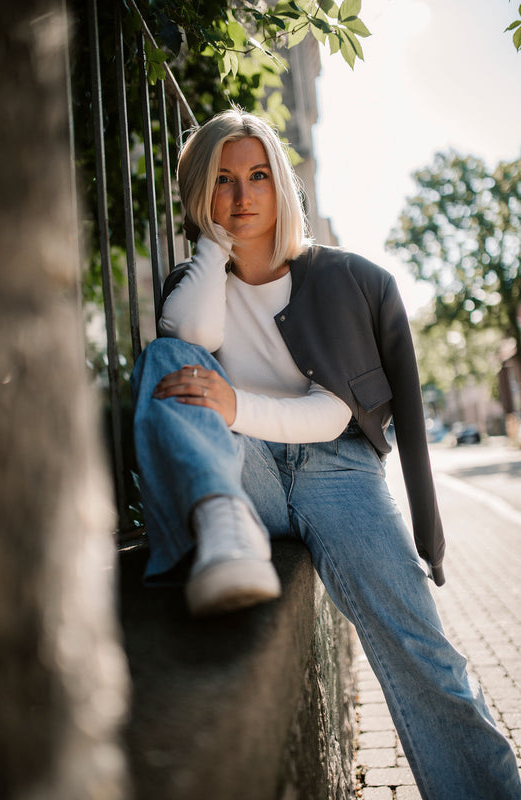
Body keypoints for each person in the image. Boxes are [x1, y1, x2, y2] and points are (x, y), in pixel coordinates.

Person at [131, 109, 521, 799]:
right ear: (199, 194)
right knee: (167, 357)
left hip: (334, 471)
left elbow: (333, 411)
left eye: (258, 176)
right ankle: (223, 525)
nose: (243, 196)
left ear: (282, 185)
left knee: (421, 652)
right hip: (241, 470)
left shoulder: (341, 279)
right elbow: (182, 347)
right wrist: (212, 253)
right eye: (221, 181)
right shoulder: (195, 284)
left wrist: (237, 407)